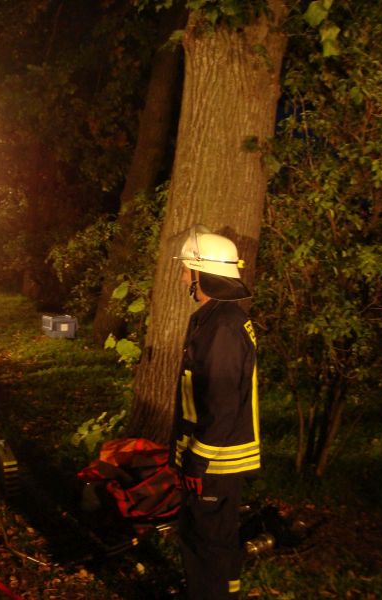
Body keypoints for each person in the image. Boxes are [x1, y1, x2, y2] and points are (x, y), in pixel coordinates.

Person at [170, 225, 260, 599]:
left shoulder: (222, 327)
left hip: (215, 459)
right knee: (210, 538)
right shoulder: (213, 320)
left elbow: (221, 404)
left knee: (209, 541)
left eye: (187, 269)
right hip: (209, 455)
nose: (182, 276)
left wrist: (198, 461)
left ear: (203, 274)